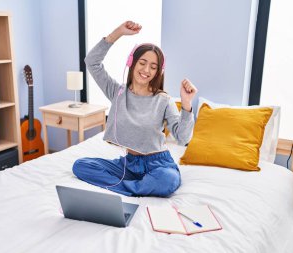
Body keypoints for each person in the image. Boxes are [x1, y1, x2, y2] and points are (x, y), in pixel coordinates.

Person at [72, 21, 198, 197]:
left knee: (167, 180)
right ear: (132, 62)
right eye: (142, 63)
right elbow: (91, 62)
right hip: (128, 164)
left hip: (158, 164)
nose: (146, 70)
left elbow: (183, 138)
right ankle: (137, 186)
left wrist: (186, 104)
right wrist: (118, 33)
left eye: (153, 67)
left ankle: (127, 188)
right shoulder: (117, 92)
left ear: (158, 72)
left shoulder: (164, 100)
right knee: (81, 166)